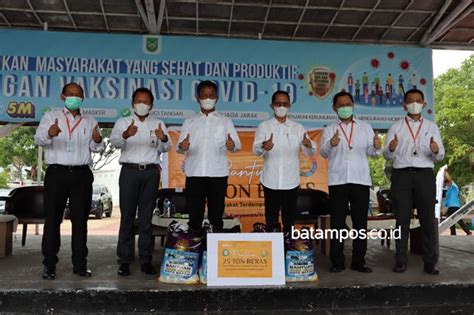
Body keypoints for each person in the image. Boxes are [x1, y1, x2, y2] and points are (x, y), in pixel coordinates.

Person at [35, 83, 104, 279]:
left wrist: (98, 140)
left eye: (78, 95)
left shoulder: (90, 120)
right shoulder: (51, 116)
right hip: (57, 174)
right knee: (53, 220)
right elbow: (39, 139)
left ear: (83, 98)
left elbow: (97, 148)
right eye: (71, 94)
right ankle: (49, 265)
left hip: (81, 175)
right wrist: (50, 133)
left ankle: (80, 265)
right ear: (62, 95)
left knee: (81, 221)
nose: (74, 97)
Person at [110, 87, 172, 276]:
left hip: (151, 173)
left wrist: (163, 138)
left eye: (146, 101)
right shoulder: (123, 122)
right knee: (127, 217)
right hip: (129, 172)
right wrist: (125, 134)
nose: (142, 104)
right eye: (139, 101)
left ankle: (146, 260)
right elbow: (114, 142)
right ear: (132, 103)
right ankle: (125, 260)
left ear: (151, 105)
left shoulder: (158, 123)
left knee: (146, 219)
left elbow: (166, 147)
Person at [383, 88, 445, 275]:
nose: (414, 103)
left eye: (418, 100)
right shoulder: (396, 127)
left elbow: (440, 155)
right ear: (404, 105)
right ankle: (400, 260)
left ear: (424, 104)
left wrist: (435, 150)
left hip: (425, 175)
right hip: (401, 175)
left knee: (427, 219)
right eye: (410, 100)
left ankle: (430, 262)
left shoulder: (431, 127)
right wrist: (391, 148)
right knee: (401, 219)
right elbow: (386, 154)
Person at [320, 91, 381, 273]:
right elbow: (323, 153)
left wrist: (377, 147)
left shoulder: (365, 127)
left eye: (348, 104)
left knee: (360, 223)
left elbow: (373, 152)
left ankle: (358, 261)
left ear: (353, 106)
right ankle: (337, 261)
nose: (344, 108)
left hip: (360, 180)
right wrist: (331, 143)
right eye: (340, 105)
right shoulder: (330, 129)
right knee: (337, 223)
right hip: (337, 181)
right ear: (334, 108)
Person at [177, 80, 241, 234]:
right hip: (194, 174)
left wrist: (231, 145)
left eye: (211, 95)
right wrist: (182, 146)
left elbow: (236, 145)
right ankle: (195, 251)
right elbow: (180, 147)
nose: (207, 98)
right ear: (198, 98)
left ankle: (213, 254)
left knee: (216, 216)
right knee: (194, 217)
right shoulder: (189, 122)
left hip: (217, 175)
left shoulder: (225, 121)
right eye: (204, 95)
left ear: (216, 98)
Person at [253, 91, 316, 232]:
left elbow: (310, 152)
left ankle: (288, 249)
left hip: (291, 181)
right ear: (272, 105)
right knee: (271, 221)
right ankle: (273, 250)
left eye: (285, 104)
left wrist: (307, 145)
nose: (281, 106)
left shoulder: (298, 128)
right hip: (270, 180)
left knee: (289, 221)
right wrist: (263, 145)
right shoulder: (264, 126)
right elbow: (256, 150)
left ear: (289, 106)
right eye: (278, 103)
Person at [444, 171, 471, 236]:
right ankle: (453, 234)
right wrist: (444, 207)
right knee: (450, 221)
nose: (446, 185)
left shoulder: (453, 186)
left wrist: (445, 172)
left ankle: (468, 232)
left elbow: (449, 179)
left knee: (458, 220)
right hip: (451, 207)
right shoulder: (449, 189)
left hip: (454, 206)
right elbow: (447, 199)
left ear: (448, 182)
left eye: (446, 184)